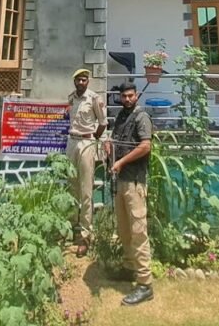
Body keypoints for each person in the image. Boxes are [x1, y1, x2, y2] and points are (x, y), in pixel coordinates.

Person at [104, 81, 154, 306]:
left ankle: (145, 284)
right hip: (120, 180)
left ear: (136, 96)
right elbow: (116, 139)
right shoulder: (121, 117)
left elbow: (145, 146)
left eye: (130, 96)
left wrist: (121, 161)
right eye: (123, 96)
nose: (126, 99)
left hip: (134, 182)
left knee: (138, 231)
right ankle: (128, 268)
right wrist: (109, 146)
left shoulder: (141, 117)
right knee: (124, 230)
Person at [67, 68, 106, 256]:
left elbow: (103, 123)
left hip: (86, 142)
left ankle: (85, 235)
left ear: (88, 82)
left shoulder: (94, 98)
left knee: (86, 190)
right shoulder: (71, 98)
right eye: (78, 80)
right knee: (71, 186)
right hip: (71, 142)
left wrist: (94, 138)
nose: (81, 82)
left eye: (84, 80)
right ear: (74, 81)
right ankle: (70, 228)